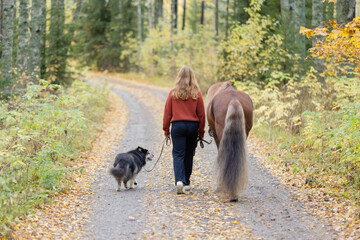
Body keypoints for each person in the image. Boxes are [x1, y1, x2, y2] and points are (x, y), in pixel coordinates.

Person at [163, 66, 206, 194]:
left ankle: (179, 181)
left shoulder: (173, 93)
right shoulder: (197, 94)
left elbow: (167, 114)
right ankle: (186, 182)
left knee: (178, 154)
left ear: (179, 77)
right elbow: (202, 115)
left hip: (177, 126)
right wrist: (201, 132)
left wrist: (166, 130)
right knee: (189, 154)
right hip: (192, 127)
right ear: (192, 78)